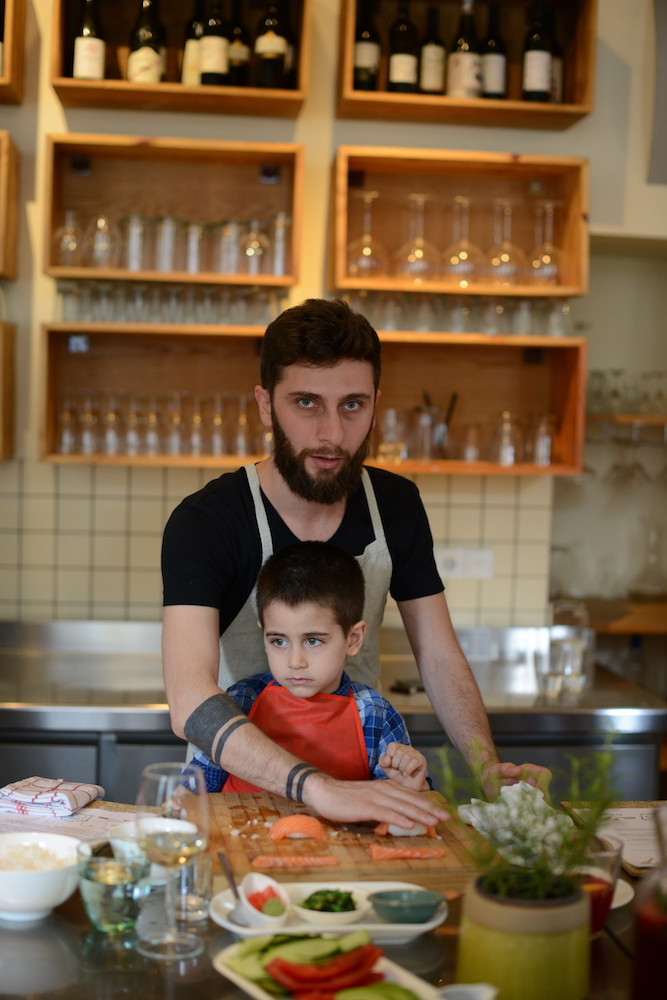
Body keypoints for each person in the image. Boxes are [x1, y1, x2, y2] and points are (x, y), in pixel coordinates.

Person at [162, 297, 549, 827]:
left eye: (352, 405)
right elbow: (190, 701)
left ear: (374, 403)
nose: (332, 434)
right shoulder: (207, 521)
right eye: (305, 403)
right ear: (264, 404)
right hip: (231, 803)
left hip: (360, 798)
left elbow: (437, 653)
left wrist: (486, 766)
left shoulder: (395, 505)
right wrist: (315, 788)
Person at [193, 540, 430, 794]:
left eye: (313, 640)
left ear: (353, 639)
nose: (295, 662)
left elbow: (401, 806)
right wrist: (184, 797)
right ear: (263, 635)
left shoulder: (376, 716)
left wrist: (414, 787)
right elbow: (197, 787)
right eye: (279, 641)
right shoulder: (240, 700)